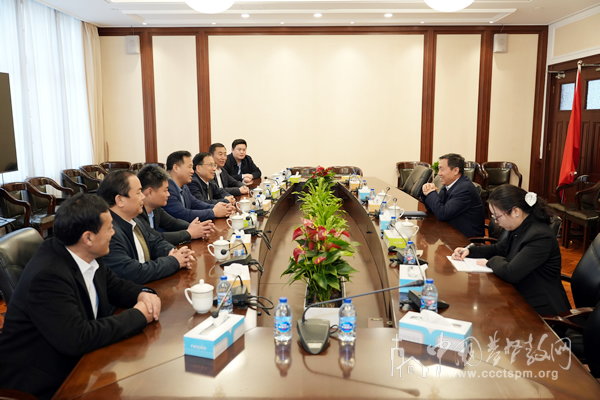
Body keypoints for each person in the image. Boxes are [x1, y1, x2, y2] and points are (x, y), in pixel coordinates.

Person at [0, 194, 160, 399]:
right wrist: (139, 315)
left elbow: (114, 285)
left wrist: (143, 294)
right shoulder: (48, 275)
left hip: (83, 363)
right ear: (88, 238)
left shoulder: (87, 253)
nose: (113, 233)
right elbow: (77, 338)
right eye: (109, 228)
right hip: (44, 381)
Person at [452, 184, 570, 316]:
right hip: (520, 296)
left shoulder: (540, 236)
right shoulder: (519, 227)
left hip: (541, 311)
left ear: (515, 211)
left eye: (497, 216)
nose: (496, 221)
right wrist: (470, 251)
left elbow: (511, 273)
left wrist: (490, 262)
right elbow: (499, 248)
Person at [97, 170, 195, 284]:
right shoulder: (109, 232)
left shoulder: (134, 221)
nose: (143, 197)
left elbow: (155, 242)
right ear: (120, 200)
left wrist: (175, 253)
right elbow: (133, 272)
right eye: (138, 193)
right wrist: (174, 261)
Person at [136, 164, 215, 245]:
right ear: (149, 192)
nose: (168, 194)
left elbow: (172, 223)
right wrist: (189, 233)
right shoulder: (136, 214)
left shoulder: (156, 209)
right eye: (165, 190)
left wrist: (198, 228)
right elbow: (156, 237)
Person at [421, 153, 485, 238]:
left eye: (441, 169)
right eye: (439, 169)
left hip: (466, 240)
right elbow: (435, 209)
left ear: (455, 171)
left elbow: (442, 214)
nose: (439, 173)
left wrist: (431, 193)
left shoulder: (464, 189)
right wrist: (426, 193)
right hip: (450, 233)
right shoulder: (449, 185)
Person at [163, 150, 235, 223]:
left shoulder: (184, 187)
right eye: (189, 167)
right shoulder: (167, 188)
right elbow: (183, 214)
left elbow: (196, 204)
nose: (192, 171)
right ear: (176, 168)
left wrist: (221, 208)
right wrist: (213, 212)